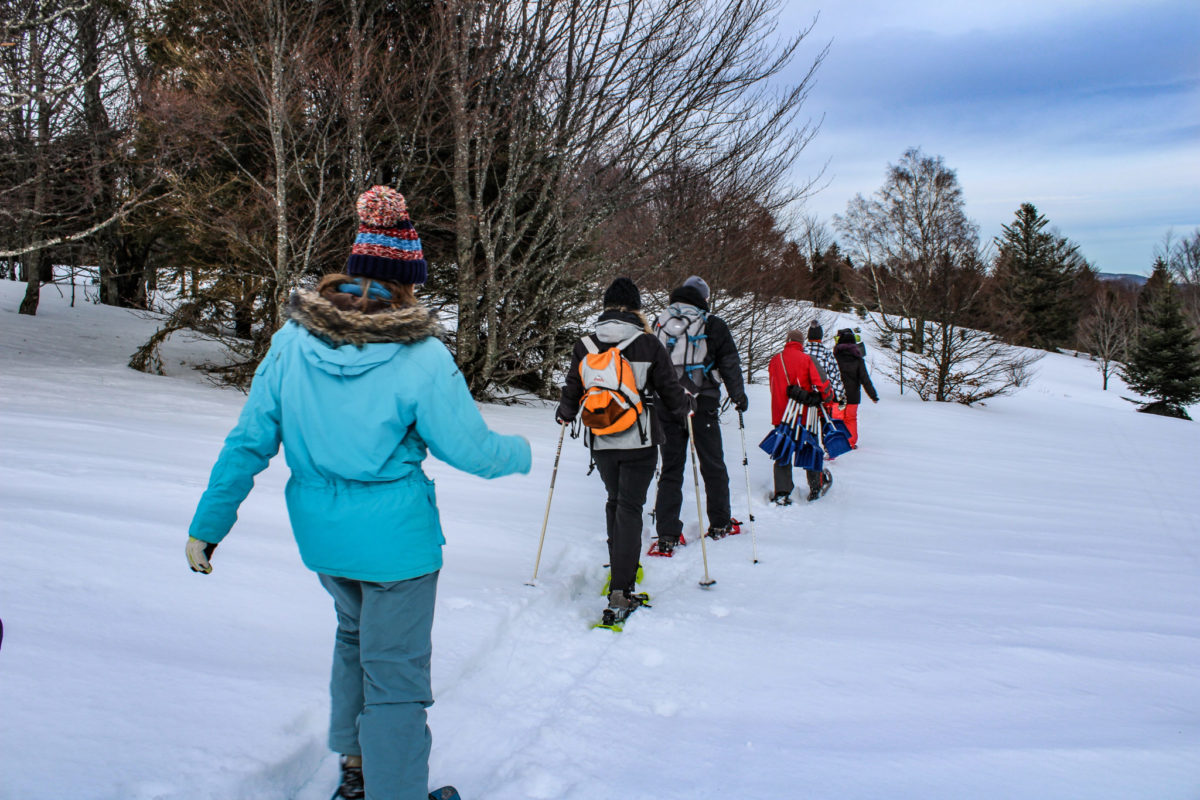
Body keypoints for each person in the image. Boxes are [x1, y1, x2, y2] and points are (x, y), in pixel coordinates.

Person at [185, 186, 531, 800]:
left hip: (324, 538)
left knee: (353, 639)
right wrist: (521, 452)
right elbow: (472, 452)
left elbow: (248, 442)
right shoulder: (420, 356)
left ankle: (358, 770)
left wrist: (207, 523)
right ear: (408, 280)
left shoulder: (292, 341)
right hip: (396, 544)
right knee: (395, 672)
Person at [556, 277, 690, 614]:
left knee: (615, 502)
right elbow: (670, 391)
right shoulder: (648, 344)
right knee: (630, 508)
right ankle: (621, 589)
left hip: (601, 438)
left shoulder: (585, 344)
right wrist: (685, 409)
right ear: (636, 308)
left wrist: (565, 413)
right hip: (639, 439)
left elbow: (573, 387)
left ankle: (620, 566)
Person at [651, 275, 749, 551]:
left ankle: (667, 534)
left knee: (671, 468)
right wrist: (738, 396)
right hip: (702, 404)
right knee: (712, 464)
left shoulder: (660, 323)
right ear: (704, 299)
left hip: (667, 405)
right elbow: (730, 363)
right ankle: (720, 523)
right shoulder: (713, 324)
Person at [767, 330, 832, 504]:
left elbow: (773, 385)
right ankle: (815, 486)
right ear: (801, 343)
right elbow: (823, 384)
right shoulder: (807, 359)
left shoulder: (774, 360)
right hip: (804, 413)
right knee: (810, 448)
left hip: (781, 414)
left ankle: (782, 491)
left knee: (783, 450)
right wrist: (824, 398)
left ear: (787, 341)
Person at [833, 329, 879, 448]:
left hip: (839, 396)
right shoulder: (859, 360)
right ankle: (850, 442)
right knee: (851, 419)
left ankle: (837, 442)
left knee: (838, 418)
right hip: (853, 396)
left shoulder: (835, 358)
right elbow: (865, 379)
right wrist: (873, 395)